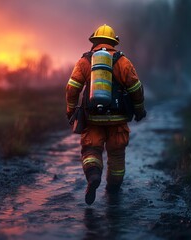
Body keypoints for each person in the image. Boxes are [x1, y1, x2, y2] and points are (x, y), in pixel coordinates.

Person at [65, 24, 146, 205]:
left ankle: (93, 176)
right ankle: (113, 192)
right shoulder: (123, 61)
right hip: (118, 121)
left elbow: (72, 89)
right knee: (116, 156)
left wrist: (70, 110)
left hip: (92, 118)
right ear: (113, 42)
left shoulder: (85, 61)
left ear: (94, 42)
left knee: (91, 151)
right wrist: (139, 110)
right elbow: (136, 89)